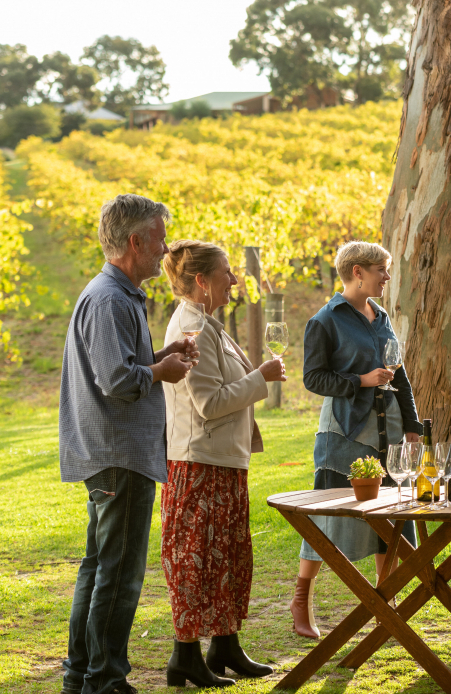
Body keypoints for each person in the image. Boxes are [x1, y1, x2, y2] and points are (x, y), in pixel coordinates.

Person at [59, 194, 197, 694]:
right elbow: (118, 381)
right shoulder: (111, 298)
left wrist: (161, 354)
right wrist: (161, 371)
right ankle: (105, 680)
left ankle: (82, 676)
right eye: (160, 238)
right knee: (118, 576)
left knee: (98, 568)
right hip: (118, 454)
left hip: (113, 453)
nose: (165, 249)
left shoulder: (116, 295)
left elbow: (115, 365)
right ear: (135, 241)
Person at [159, 240, 286, 688]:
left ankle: (226, 645)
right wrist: (261, 378)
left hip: (222, 463)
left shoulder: (209, 324)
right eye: (226, 272)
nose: (234, 279)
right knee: (196, 559)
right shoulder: (193, 328)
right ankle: (185, 656)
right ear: (201, 281)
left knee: (228, 556)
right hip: (199, 464)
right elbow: (208, 403)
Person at [289, 240, 422, 639]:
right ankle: (301, 598)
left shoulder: (381, 316)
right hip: (345, 433)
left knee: (392, 520)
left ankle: (387, 602)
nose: (386, 276)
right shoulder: (325, 320)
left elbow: (400, 374)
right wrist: (360, 381)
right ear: (357, 272)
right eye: (381, 269)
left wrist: (412, 425)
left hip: (389, 431)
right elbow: (313, 378)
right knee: (326, 521)